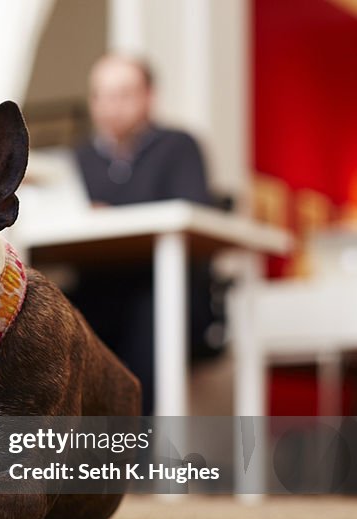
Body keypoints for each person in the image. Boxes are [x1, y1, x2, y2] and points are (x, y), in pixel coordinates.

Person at [69, 53, 217, 415]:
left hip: (168, 291)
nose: (111, 106)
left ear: (149, 96)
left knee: (148, 313)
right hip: (100, 289)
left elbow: (194, 215)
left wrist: (111, 216)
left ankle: (141, 460)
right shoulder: (78, 160)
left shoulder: (178, 147)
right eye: (101, 95)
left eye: (124, 94)